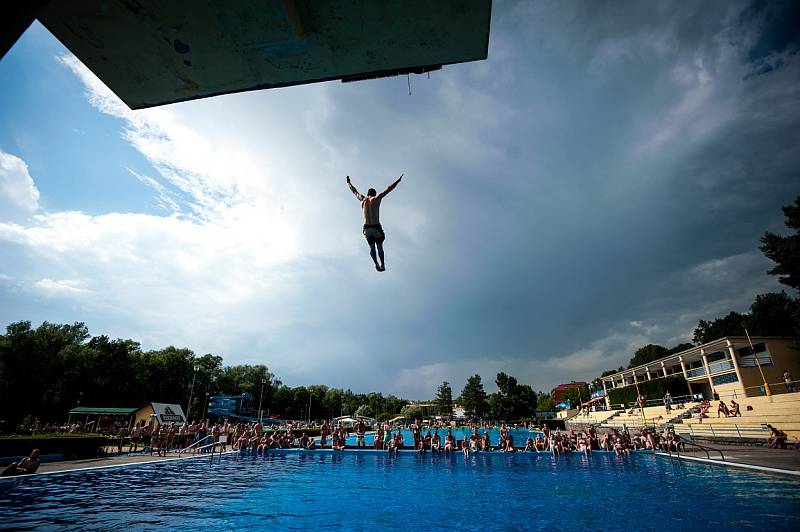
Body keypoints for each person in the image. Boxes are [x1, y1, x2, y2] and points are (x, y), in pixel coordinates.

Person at [346, 174, 403, 271]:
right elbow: (388, 189)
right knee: (379, 247)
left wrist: (348, 182)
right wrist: (398, 180)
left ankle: (376, 264)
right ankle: (383, 265)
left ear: (368, 194)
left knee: (372, 247)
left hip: (367, 229)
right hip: (376, 227)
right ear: (374, 194)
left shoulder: (362, 199)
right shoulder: (376, 199)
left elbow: (354, 191)